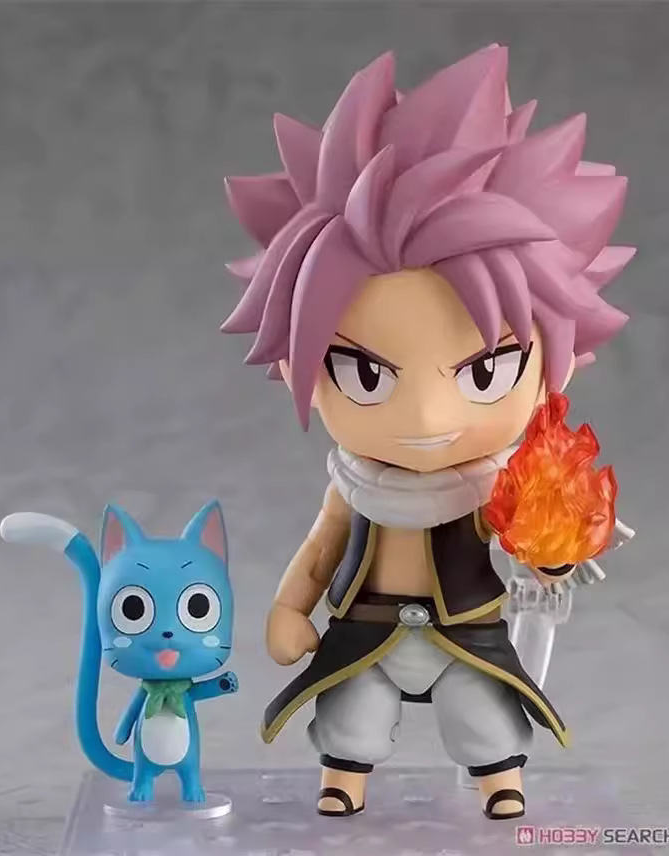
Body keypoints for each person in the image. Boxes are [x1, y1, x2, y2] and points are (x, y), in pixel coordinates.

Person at [220, 44, 634, 820]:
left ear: (560, 358)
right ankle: (343, 778)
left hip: (465, 631)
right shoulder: (354, 484)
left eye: (483, 373)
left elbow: (533, 547)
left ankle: (499, 780)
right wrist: (290, 609)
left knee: (484, 716)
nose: (427, 419)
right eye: (365, 373)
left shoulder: (497, 485)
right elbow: (321, 547)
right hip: (365, 629)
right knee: (351, 712)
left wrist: (551, 558)